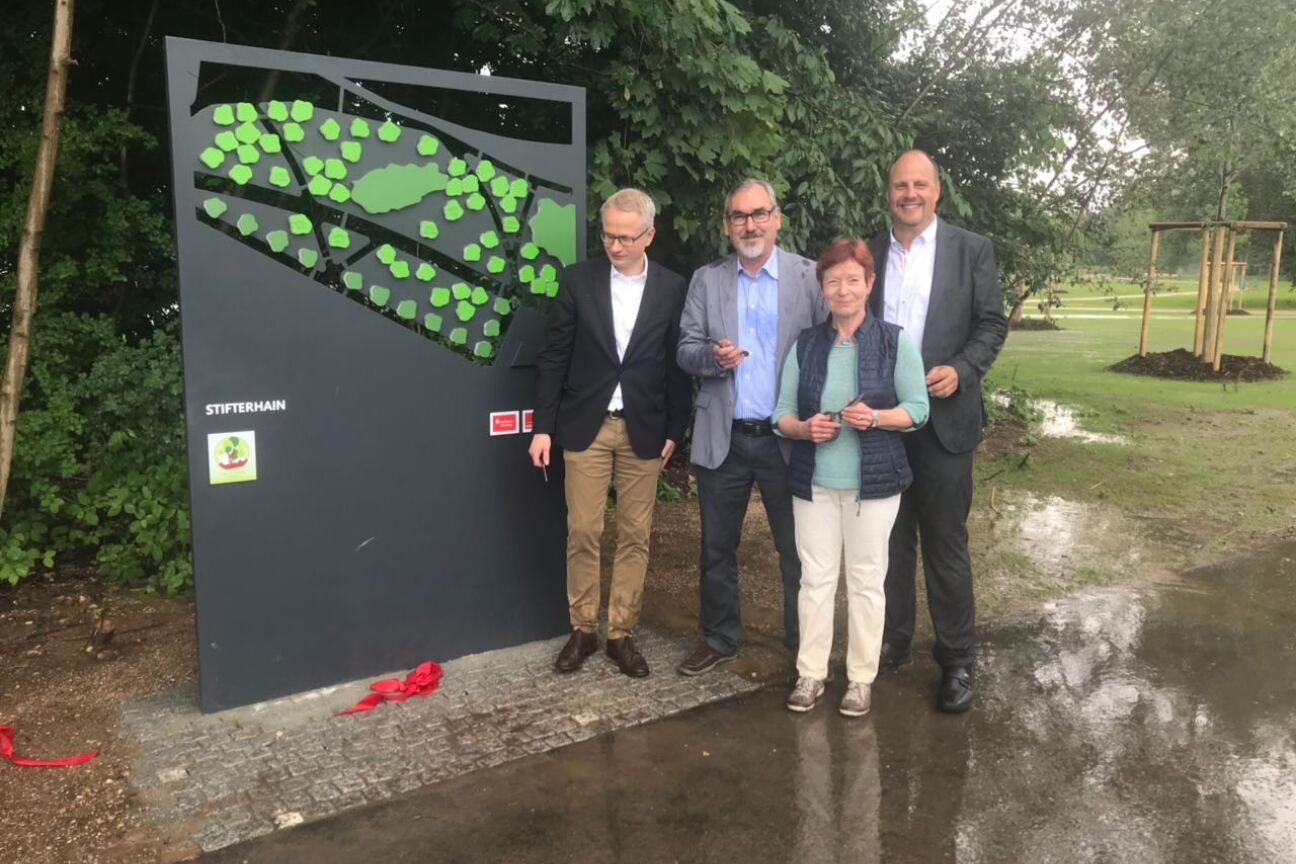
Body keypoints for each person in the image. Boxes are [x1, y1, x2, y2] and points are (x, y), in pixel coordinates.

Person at [529, 188, 691, 678]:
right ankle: (583, 629)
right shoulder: (578, 281)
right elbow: (554, 355)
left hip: (645, 427)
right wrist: (542, 426)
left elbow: (677, 365)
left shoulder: (672, 288)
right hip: (586, 426)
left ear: (649, 236)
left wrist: (675, 429)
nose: (614, 246)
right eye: (608, 235)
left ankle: (621, 633)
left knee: (636, 535)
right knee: (584, 529)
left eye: (625, 237)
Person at [868, 150, 1008, 713]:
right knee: (889, 543)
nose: (909, 194)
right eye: (900, 185)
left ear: (937, 191)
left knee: (946, 546)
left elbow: (992, 322)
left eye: (919, 185)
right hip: (883, 424)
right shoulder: (870, 252)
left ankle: (956, 661)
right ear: (888, 193)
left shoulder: (970, 250)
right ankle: (893, 642)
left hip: (946, 422)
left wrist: (965, 369)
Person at [675, 179, 828, 675]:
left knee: (797, 552)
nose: (750, 224)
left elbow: (834, 347)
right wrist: (714, 360)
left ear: (777, 217)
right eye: (739, 216)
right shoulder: (707, 280)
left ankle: (803, 645)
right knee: (717, 549)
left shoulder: (810, 278)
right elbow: (685, 350)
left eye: (759, 213)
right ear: (727, 225)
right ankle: (719, 639)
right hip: (727, 437)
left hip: (790, 439)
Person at [773, 239, 929, 715]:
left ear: (870, 284)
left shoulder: (894, 341)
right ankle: (811, 673)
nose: (843, 290)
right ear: (822, 288)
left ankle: (860, 679)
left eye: (852, 280)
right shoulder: (806, 343)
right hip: (814, 483)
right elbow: (780, 413)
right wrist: (803, 428)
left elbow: (919, 410)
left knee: (865, 580)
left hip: (874, 487)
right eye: (833, 281)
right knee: (815, 581)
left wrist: (876, 418)